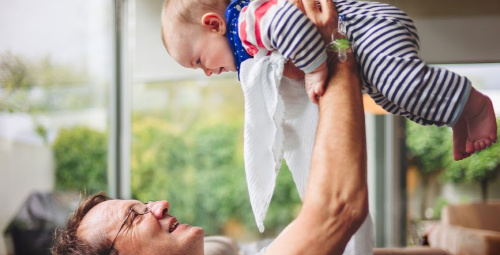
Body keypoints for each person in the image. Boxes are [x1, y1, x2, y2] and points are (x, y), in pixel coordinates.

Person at [52, 1, 376, 255]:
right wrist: (338, 48)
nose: (160, 205)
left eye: (144, 204)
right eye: (135, 217)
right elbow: (338, 208)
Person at [160, 0, 497, 161]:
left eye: (200, 61)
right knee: (388, 97)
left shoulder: (247, 23)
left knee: (400, 85)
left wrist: (315, 70)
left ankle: (476, 106)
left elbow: (290, 23)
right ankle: (454, 116)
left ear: (214, 25)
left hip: (368, 30)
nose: (207, 72)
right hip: (356, 48)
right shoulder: (243, 49)